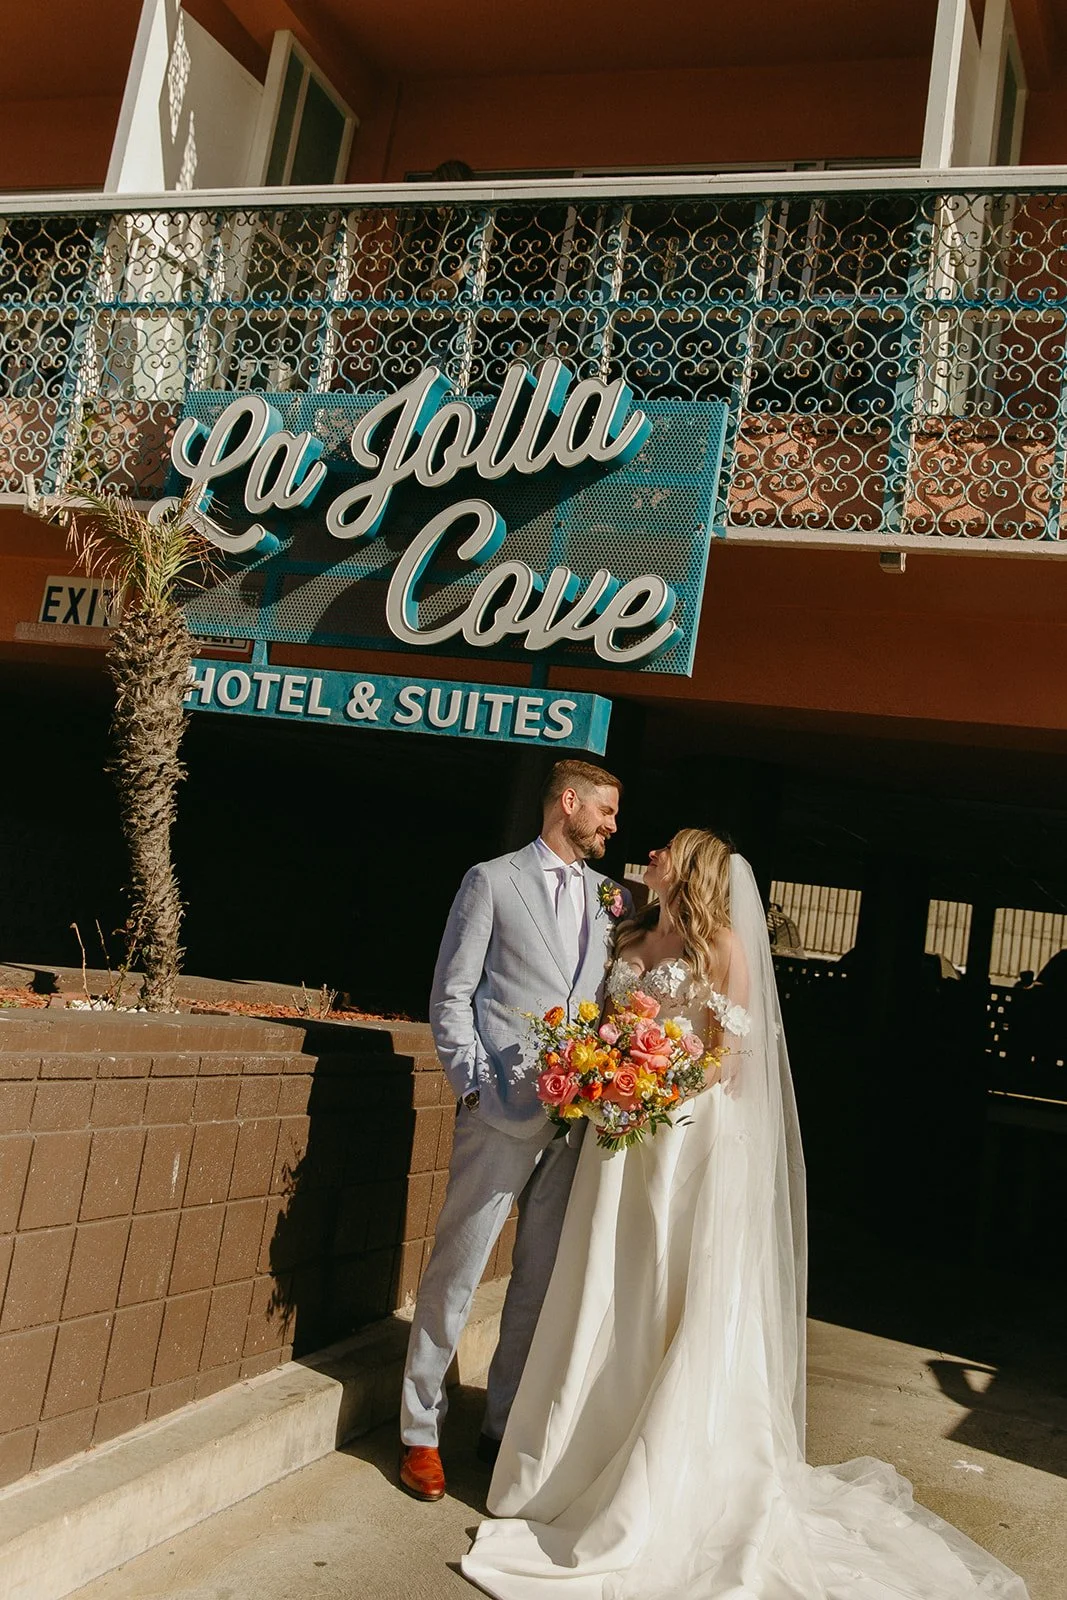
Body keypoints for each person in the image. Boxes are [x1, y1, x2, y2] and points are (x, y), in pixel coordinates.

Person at [463, 830, 1030, 1600]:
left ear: (688, 866)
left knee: (667, 1289)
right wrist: (603, 1070)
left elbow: (733, 1055)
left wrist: (655, 1082)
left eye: (663, 848)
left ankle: (657, 1462)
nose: (648, 853)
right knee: (601, 1282)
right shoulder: (628, 931)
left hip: (679, 1137)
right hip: (613, 1140)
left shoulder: (722, 946)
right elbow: (602, 1018)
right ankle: (570, 1450)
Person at [399, 759, 632, 1503]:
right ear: (568, 804)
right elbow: (452, 993)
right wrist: (472, 1084)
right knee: (456, 1274)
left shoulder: (610, 898)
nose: (612, 826)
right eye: (604, 811)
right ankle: (418, 1431)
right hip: (499, 1108)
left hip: (574, 1124)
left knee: (537, 1284)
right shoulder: (490, 881)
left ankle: (502, 1423)